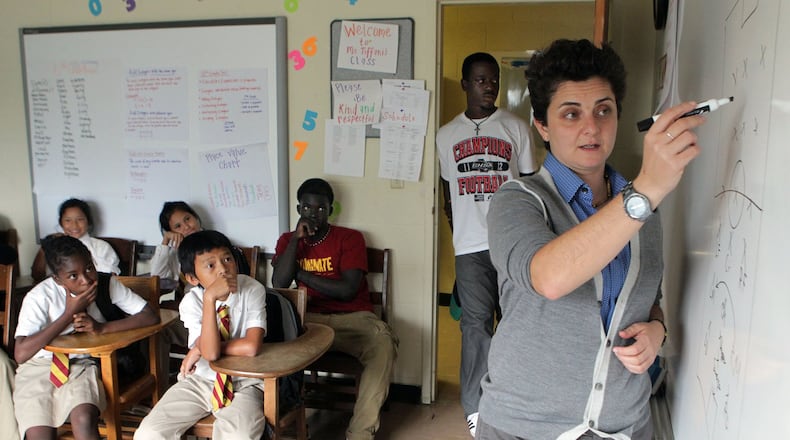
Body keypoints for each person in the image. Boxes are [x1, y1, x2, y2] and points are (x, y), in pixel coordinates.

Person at [478, 39, 705, 440]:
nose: (591, 127)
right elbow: (549, 277)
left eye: (604, 110)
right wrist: (645, 191)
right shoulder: (516, 200)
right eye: (571, 113)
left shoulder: (642, 210)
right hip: (523, 427)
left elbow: (647, 300)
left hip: (623, 425)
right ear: (542, 125)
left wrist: (657, 331)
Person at [435, 51, 536, 436]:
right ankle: (476, 408)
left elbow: (530, 189)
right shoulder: (446, 136)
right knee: (476, 327)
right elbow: (448, 195)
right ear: (465, 84)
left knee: (515, 324)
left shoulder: (516, 128)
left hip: (512, 242)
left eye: (493, 79)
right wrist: (457, 233)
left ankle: (512, 400)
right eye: (480, 80)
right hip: (470, 247)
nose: (489, 86)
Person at [271, 178, 398, 440]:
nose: (313, 214)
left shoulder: (350, 238)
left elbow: (346, 291)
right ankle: (281, 420)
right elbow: (279, 283)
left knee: (383, 344)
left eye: (320, 209)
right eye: (307, 208)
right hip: (309, 321)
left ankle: (360, 433)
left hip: (353, 319)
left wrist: (301, 273)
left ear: (331, 209)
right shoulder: (287, 240)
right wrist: (296, 240)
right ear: (298, 209)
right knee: (273, 338)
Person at [13, 235, 159, 440]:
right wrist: (67, 315)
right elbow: (21, 354)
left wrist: (101, 328)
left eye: (89, 268)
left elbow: (149, 315)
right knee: (39, 433)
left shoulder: (105, 284)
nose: (86, 279)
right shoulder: (39, 297)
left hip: (84, 364)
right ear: (57, 279)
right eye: (73, 276)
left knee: (83, 418)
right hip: (39, 367)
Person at [135, 230, 267, 440]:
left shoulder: (252, 289)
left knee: (238, 435)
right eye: (210, 265)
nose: (223, 269)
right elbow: (212, 353)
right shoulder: (192, 302)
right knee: (149, 433)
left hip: (244, 382)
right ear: (192, 278)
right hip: (201, 380)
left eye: (227, 259)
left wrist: (199, 349)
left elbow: (251, 347)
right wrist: (209, 299)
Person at [149, 201, 251, 285]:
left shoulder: (215, 243)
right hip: (191, 301)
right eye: (178, 226)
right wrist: (165, 241)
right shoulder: (175, 252)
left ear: (195, 217)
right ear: (172, 232)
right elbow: (156, 277)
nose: (186, 227)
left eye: (187, 219)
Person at [31, 198, 120, 282]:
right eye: (68, 220)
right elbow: (37, 276)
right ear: (61, 223)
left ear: (88, 221)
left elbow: (108, 279)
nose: (74, 225)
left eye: (80, 219)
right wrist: (46, 246)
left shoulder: (102, 247)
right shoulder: (55, 246)